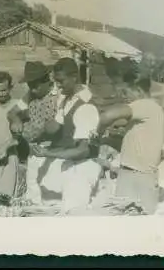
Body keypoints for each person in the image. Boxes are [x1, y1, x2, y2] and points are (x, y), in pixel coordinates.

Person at [29, 57, 103, 213]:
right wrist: (36, 134)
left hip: (83, 167)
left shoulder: (86, 107)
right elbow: (55, 126)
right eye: (56, 81)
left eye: (61, 81)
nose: (58, 85)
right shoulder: (67, 99)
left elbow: (83, 150)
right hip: (69, 163)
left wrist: (46, 152)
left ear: (74, 77)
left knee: (73, 214)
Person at [96, 76, 164, 215]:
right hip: (140, 175)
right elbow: (132, 141)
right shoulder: (152, 110)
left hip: (136, 178)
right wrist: (105, 141)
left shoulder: (144, 104)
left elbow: (106, 117)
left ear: (139, 91)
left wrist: (98, 132)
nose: (124, 99)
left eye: (126, 94)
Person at [7, 61, 60, 204]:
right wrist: (16, 120)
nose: (33, 89)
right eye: (30, 85)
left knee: (52, 196)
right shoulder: (30, 94)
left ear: (46, 81)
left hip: (55, 153)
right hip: (34, 152)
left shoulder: (59, 95)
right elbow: (12, 112)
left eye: (35, 85)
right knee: (33, 194)